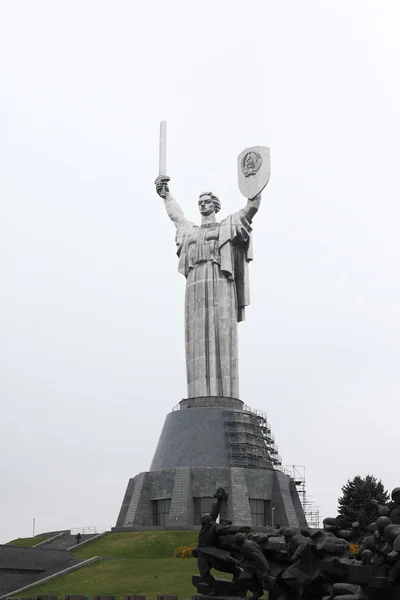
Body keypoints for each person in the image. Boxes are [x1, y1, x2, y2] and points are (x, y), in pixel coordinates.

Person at [155, 175, 262, 399]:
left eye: (207, 201)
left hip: (221, 281)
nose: (203, 205)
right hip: (195, 285)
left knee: (222, 334)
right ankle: (199, 395)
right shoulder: (190, 231)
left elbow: (251, 208)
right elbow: (176, 216)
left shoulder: (228, 225)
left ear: (215, 205)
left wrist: (255, 184)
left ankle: (225, 395)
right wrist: (166, 195)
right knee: (196, 339)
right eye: (200, 202)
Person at [192, 488, 241, 596]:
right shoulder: (205, 527)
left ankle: (237, 575)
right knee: (204, 573)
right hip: (202, 552)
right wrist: (219, 501)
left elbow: (226, 529)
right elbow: (214, 513)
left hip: (211, 552)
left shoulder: (213, 527)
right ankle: (214, 589)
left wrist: (239, 529)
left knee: (221, 567)